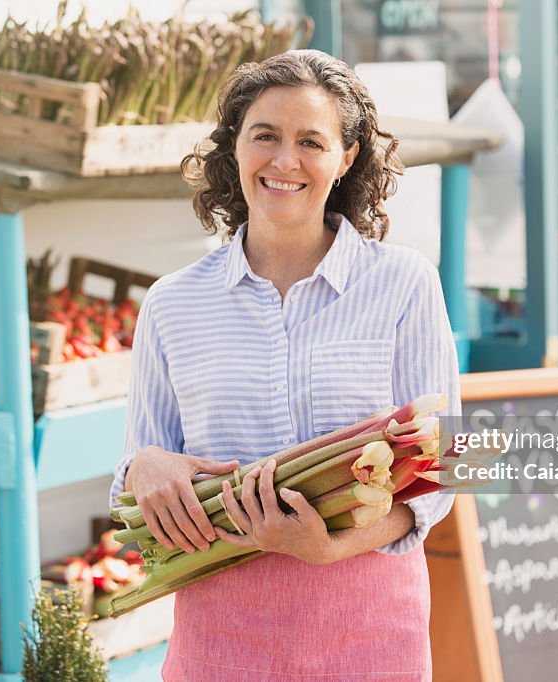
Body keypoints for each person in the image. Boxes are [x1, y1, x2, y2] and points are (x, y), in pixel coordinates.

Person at [109, 49, 461, 681]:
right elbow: (137, 475)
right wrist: (143, 465)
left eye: (311, 141)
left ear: (346, 157)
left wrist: (327, 547)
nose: (284, 160)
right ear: (234, 148)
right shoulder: (173, 304)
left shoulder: (403, 282)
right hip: (220, 629)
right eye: (264, 136)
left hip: (368, 626)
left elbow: (442, 470)